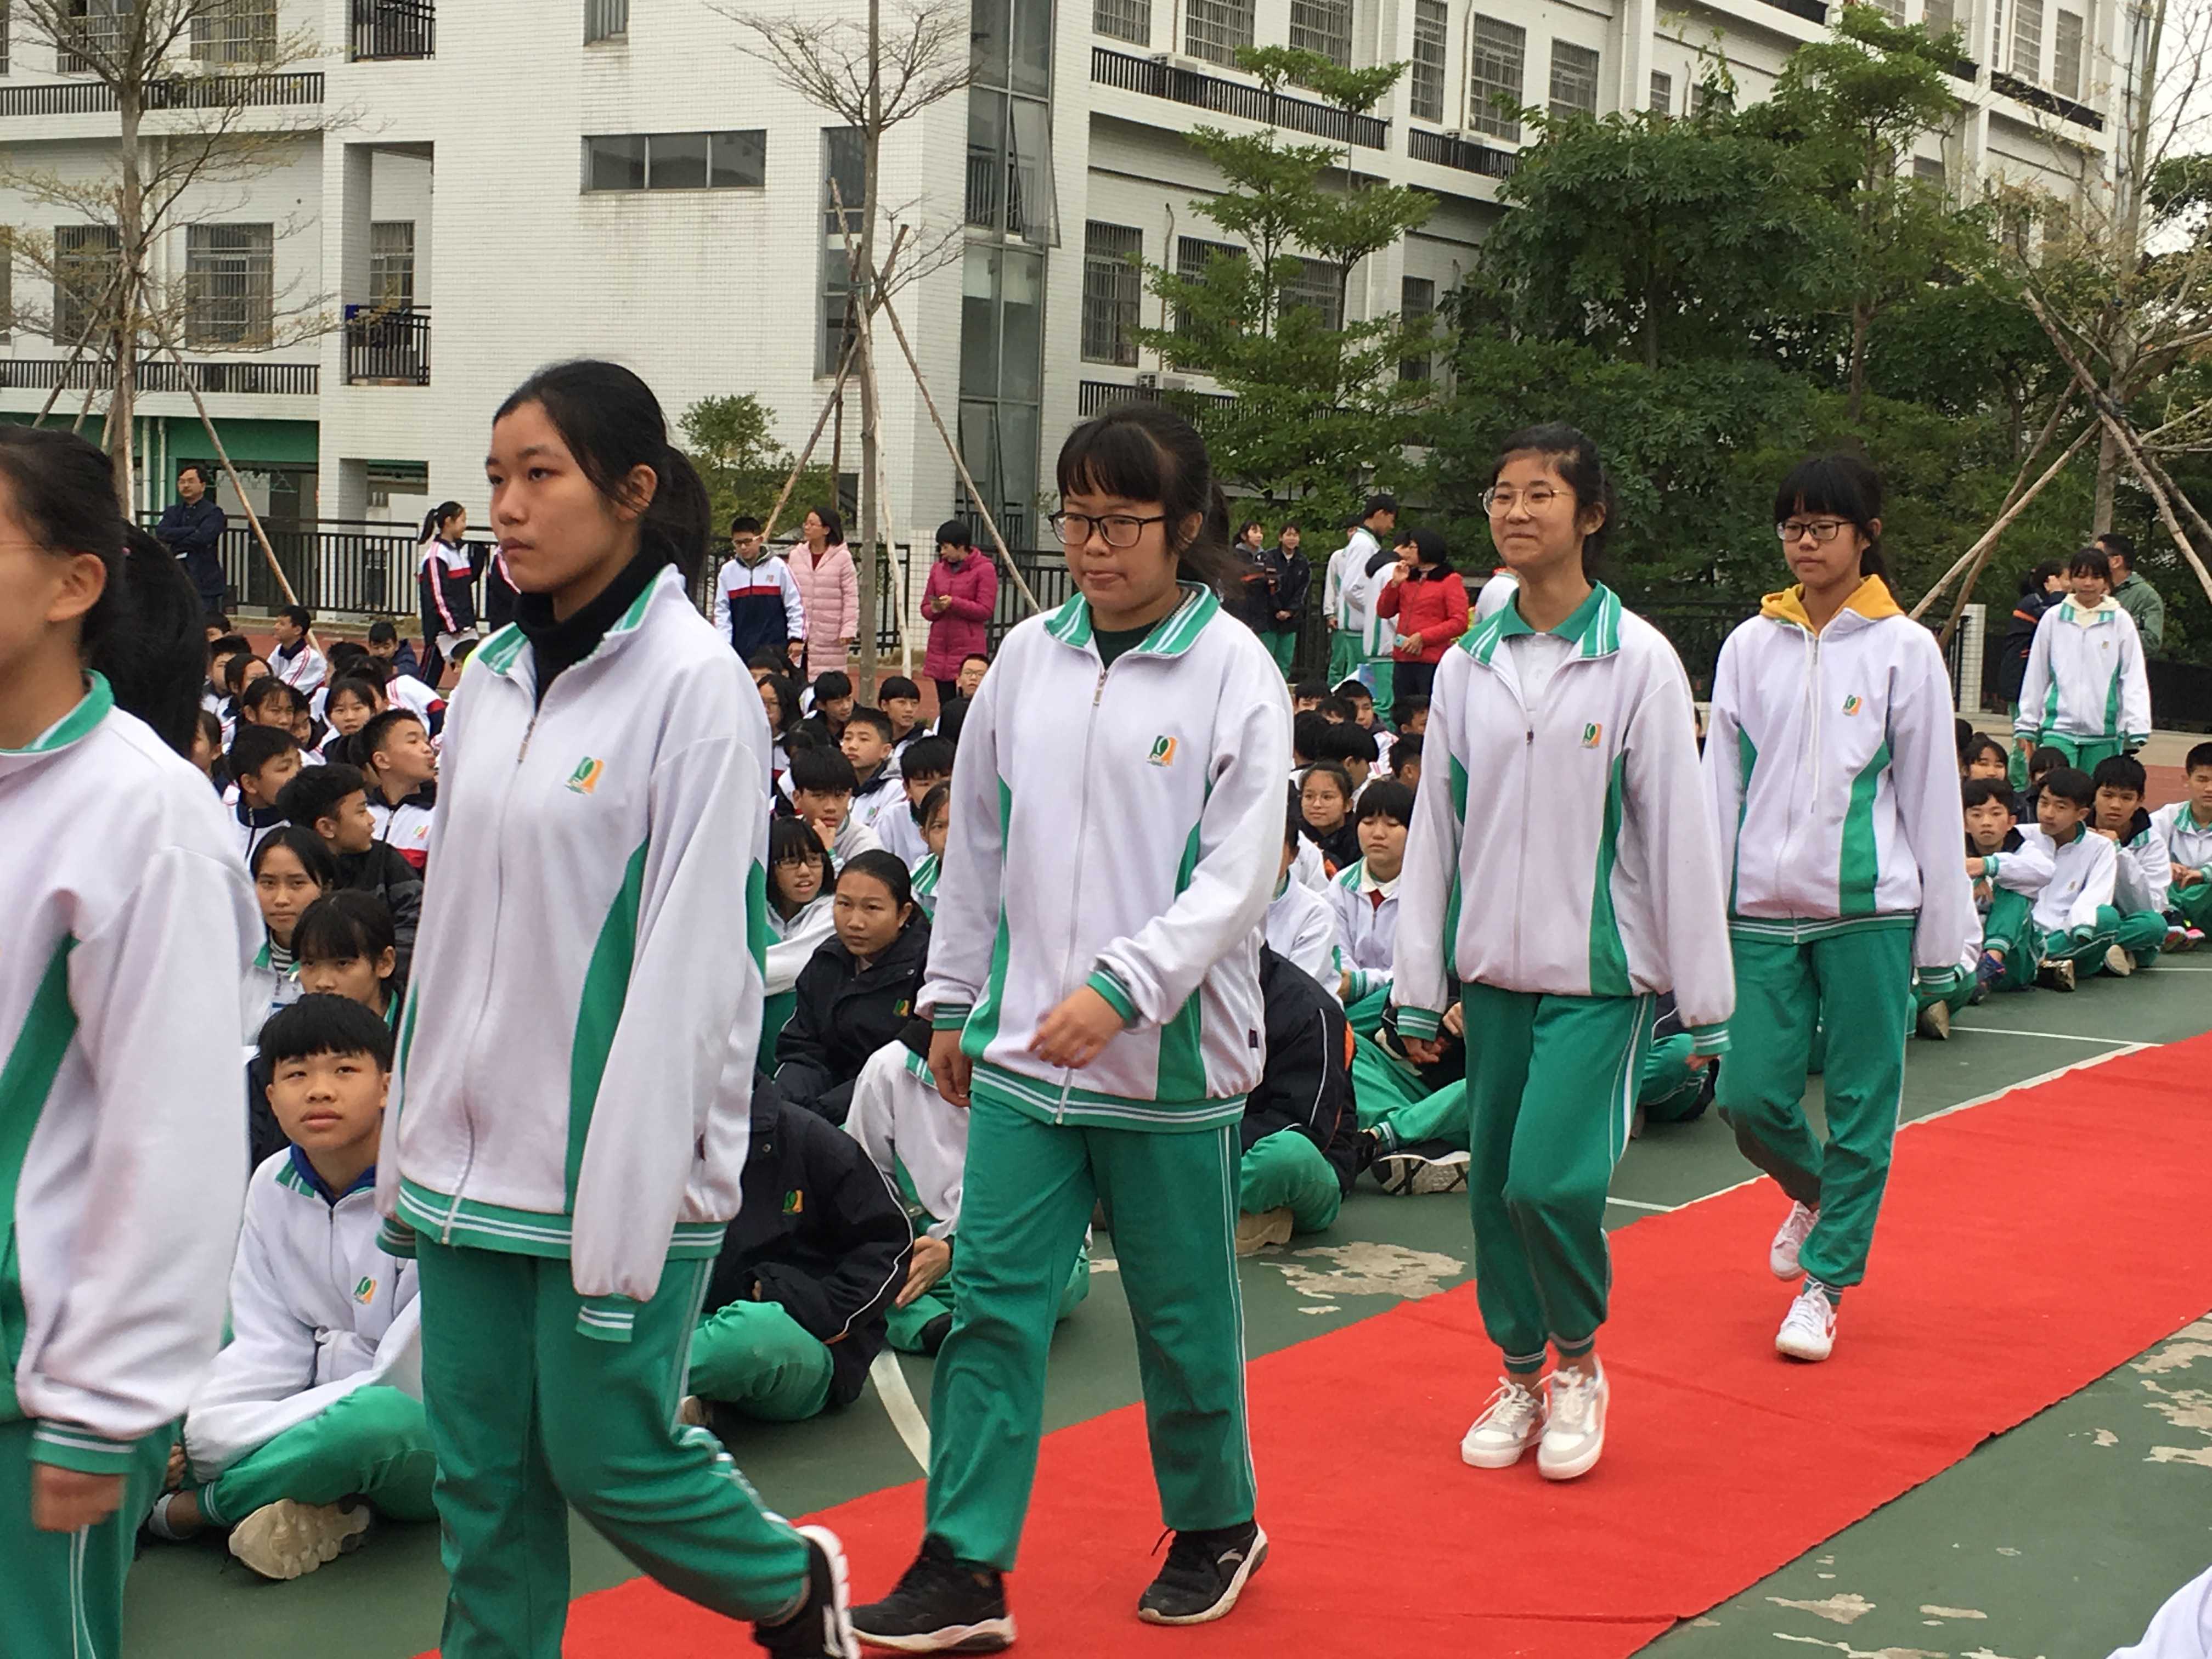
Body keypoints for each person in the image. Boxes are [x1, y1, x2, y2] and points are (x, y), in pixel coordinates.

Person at [375, 359, 856, 1658]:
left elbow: (699, 967)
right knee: (482, 1485)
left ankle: (788, 1587)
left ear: (633, 490)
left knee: (607, 1454)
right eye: (496, 478)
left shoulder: (695, 687)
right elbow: (451, 932)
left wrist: (634, 1193)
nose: (507, 507)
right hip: (465, 1162)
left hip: (610, 1161)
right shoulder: (490, 674)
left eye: (540, 475)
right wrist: (410, 1144)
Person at [855, 399, 1289, 1649]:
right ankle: (963, 1563)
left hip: (1168, 1060)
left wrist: (1125, 985)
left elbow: (1237, 876)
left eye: (1121, 522)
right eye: (1078, 518)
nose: (1094, 546)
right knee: (993, 1302)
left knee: (1180, 1309)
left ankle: (1216, 1523)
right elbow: (979, 844)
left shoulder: (1234, 674)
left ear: (1184, 526)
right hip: (1022, 1061)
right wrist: (951, 997)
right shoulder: (1028, 659)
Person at [1395, 421, 1731, 1483]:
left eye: (1539, 494)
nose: (1515, 511)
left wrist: (1707, 1000)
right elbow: (1437, 829)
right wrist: (1419, 986)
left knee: (1549, 1182)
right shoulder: (1468, 666)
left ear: (1589, 515)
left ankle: (1578, 1364)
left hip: (1602, 974)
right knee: (1494, 1188)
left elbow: (1679, 836)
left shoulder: (1638, 661)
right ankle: (1517, 1374)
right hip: (1493, 976)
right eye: (1502, 493)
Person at [0, 423, 257, 1656]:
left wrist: (102, 1404)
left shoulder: (144, 815)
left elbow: (177, 1136)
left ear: (75, 584)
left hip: (30, 1380)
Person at [1705, 454, 1974, 1367]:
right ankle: (1818, 1195)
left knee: (1862, 1104)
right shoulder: (1749, 645)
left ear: (1867, 535)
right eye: (1792, 525)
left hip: (1870, 911)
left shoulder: (1904, 649)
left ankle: (1824, 1284)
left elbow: (1931, 795)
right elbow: (1718, 786)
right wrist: (1702, 910)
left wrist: (1941, 938)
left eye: (1824, 525)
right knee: (1747, 1097)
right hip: (1758, 909)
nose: (1805, 541)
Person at [151, 995, 433, 1579]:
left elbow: (406, 1375)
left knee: (374, 1424)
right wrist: (210, 1424)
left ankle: (195, 1510)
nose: (320, 1091)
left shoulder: (425, 1188)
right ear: (271, 1095)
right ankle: (326, 1504)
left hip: (425, 1428)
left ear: (388, 1085)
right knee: (188, 1398)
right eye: (297, 1075)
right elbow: (267, 1340)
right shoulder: (271, 1183)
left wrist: (224, 1453)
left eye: (344, 1070)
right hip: (311, 1406)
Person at [844, 1020, 1092, 1358]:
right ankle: (946, 1325)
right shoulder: (888, 1068)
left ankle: (953, 1319)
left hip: (1022, 1238)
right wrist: (902, 1249)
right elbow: (865, 1185)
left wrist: (954, 1250)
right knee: (873, 1275)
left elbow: (1053, 1198)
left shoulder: (1042, 1063)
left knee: (1062, 1273)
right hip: (923, 1237)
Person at [681, 1075, 910, 1428]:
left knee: (754, 1336)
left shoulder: (811, 1140)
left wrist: (804, 1303)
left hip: (794, 1340)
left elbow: (888, 1245)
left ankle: (632, 1387)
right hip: (688, 1320)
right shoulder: (652, 1140)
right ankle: (679, 1397)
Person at [775, 850, 933, 1126]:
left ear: (903, 914)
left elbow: (906, 1068)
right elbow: (803, 1047)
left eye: (872, 908)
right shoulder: (827, 961)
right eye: (844, 904)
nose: (855, 922)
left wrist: (823, 1114)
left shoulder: (928, 971)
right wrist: (785, 1104)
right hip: (823, 1103)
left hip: (894, 1111)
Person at [1235, 946, 1360, 1254]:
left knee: (1287, 1156)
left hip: (1292, 1160)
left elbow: (1308, 1127)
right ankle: (1238, 1212)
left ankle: (1173, 1204)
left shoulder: (1310, 1008)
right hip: (1202, 1150)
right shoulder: (1182, 993)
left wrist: (1205, 1147)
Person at [275, 762, 424, 981]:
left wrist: (370, 971)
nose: (372, 821)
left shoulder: (384, 861)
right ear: (327, 827)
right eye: (361, 811)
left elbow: (418, 923)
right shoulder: (287, 866)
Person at [2014, 546, 2151, 775]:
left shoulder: (2120, 621)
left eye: (2096, 577)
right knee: (2055, 788)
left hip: (2103, 732)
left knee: (2093, 792)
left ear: (2106, 580)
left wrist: (2137, 724)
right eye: (2081, 576)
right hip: (2057, 729)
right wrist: (2026, 724)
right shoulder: (2054, 618)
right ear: (2071, 579)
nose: (2088, 583)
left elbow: (2133, 674)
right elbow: (2037, 673)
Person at [2012, 766, 2120, 991]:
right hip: (2023, 935)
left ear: (2082, 814)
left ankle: (2035, 965)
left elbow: (2095, 897)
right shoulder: (2019, 836)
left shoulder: (2100, 847)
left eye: (2060, 807)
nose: (2048, 813)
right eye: (2044, 803)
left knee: (2107, 918)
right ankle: (2045, 969)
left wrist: (2075, 927)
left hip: (2069, 934)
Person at [1328, 780, 1414, 1031]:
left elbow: (1418, 967)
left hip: (1400, 995)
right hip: (1350, 996)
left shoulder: (1427, 887)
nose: (1378, 834)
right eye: (1368, 822)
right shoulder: (1342, 884)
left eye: (1392, 824)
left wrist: (1361, 984)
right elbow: (1337, 951)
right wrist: (1350, 983)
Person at [1958, 777, 2051, 1002]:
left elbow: (2046, 871)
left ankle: (1991, 962)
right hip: (1964, 952)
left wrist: (1988, 866)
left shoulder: (2024, 850)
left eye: (1995, 814)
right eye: (1977, 815)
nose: (1986, 822)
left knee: (2015, 890)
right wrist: (1970, 881)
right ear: (1964, 824)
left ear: (2011, 822)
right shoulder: (1953, 853)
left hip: (2015, 962)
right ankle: (1967, 980)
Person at [2088, 753, 2170, 975]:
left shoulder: (2152, 843)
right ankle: (2113, 953)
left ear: (2140, 801)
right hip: (2087, 919)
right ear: (2094, 795)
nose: (2115, 805)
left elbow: (2150, 907)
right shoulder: (2075, 832)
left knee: (2155, 926)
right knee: (2103, 918)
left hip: (2129, 923)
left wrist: (2118, 852)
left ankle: (2091, 953)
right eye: (2108, 795)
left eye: (2126, 798)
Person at [764, 816, 837, 1051]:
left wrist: (726, 978)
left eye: (814, 860)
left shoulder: (834, 909)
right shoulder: (755, 908)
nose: (805, 872)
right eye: (791, 862)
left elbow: (795, 968)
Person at [1375, 527, 1470, 705]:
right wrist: (1394, 584)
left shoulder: (1450, 580)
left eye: (1412, 547)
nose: (1406, 552)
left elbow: (1459, 621)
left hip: (1430, 659)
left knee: (1427, 708)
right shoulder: (1408, 579)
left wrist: (1423, 637)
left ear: (1426, 549)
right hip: (1403, 657)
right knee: (1403, 709)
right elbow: (1384, 611)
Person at [1324, 494, 1398, 703]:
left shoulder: (1364, 542)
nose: (1391, 526)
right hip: (1360, 626)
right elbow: (1352, 587)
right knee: (1364, 689)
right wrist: (1377, 610)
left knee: (1356, 685)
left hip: (1358, 625)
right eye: (1391, 520)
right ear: (1380, 514)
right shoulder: (1364, 544)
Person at [1997, 561, 2067, 777]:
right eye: (2067, 578)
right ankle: (2019, 783)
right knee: (2024, 737)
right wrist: (2057, 595)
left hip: (2031, 680)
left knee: (2037, 737)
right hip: (2020, 680)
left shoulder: (2043, 602)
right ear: (2051, 581)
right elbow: (2056, 621)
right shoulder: (2036, 604)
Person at [1266, 790, 1341, 986]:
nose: (1263, 857)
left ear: (1293, 855)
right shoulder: (1223, 903)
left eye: (1274, 847)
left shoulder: (1315, 912)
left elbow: (1296, 988)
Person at [713, 515, 809, 668]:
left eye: (747, 542)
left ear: (759, 539)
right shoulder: (727, 572)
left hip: (775, 648)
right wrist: (725, 644)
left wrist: (796, 637)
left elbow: (795, 604)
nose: (743, 547)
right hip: (741, 650)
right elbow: (722, 612)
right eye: (738, 543)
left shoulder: (778, 567)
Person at [923, 519, 999, 707]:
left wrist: (954, 603)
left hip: (968, 649)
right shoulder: (938, 570)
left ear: (961, 546)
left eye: (946, 547)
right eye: (940, 547)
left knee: (968, 704)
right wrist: (935, 609)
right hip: (940, 647)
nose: (942, 552)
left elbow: (985, 610)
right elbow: (925, 607)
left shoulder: (984, 569)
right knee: (945, 704)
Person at [294, 890, 404, 1019]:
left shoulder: (419, 1025)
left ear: (385, 962)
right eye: (310, 964)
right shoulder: (290, 1028)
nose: (323, 983)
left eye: (342, 963)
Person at [357, 707, 437, 872]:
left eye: (426, 741)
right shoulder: (362, 813)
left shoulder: (440, 814)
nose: (427, 749)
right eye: (413, 741)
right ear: (382, 760)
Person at [2152, 741, 2212, 945]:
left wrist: (2204, 875)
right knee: (2151, 875)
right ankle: (2175, 922)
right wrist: (2165, 866)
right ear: (2186, 780)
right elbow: (2143, 853)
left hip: (2208, 904)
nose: (2209, 788)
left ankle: (2176, 923)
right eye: (2202, 779)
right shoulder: (2166, 817)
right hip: (2171, 895)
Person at [790, 505, 859, 679]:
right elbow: (789, 593)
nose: (807, 527)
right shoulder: (796, 555)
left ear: (826, 530)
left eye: (812, 524)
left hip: (830, 632)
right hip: (800, 631)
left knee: (827, 683)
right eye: (806, 523)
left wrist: (848, 628)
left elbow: (850, 596)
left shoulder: (842, 558)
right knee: (797, 680)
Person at [156, 460, 229, 618]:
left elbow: (204, 537)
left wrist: (177, 542)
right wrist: (191, 530)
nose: (186, 486)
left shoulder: (213, 512)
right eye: (182, 482)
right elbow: (162, 532)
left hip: (204, 579)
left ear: (202, 486)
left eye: (191, 481)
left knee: (204, 622)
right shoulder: (173, 511)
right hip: (176, 577)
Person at [416, 501, 478, 685]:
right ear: (449, 521)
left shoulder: (457, 552)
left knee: (471, 671)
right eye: (462, 520)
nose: (465, 526)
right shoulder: (436, 555)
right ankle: (416, 701)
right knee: (429, 675)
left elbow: (463, 587)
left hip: (460, 624)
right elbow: (438, 594)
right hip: (442, 629)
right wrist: (453, 624)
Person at [788, 744, 882, 866]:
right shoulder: (785, 837)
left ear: (849, 795)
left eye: (839, 796)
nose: (831, 807)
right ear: (797, 798)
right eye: (819, 796)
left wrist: (829, 853)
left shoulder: (866, 843)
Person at [228, 723, 302, 860]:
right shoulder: (220, 820)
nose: (298, 773)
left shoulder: (307, 826)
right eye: (284, 768)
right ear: (250, 784)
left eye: (300, 764)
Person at [878, 735, 953, 869]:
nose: (937, 790)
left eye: (946, 782)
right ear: (907, 789)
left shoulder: (973, 816)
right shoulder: (892, 818)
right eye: (925, 784)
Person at [842, 707, 906, 836]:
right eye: (848, 738)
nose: (852, 746)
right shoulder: (838, 787)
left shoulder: (896, 790)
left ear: (885, 751)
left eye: (864, 739)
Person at [2098, 531, 2165, 654]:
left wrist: (2110, 630)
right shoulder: (2088, 589)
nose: (2091, 560)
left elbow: (2152, 642)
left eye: (2098, 556)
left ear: (2116, 561)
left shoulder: (2146, 596)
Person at [1261, 522, 1308, 674]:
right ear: (1281, 538)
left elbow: (1302, 590)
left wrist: (1290, 611)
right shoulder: (1269, 558)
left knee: (1285, 661)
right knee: (1266, 659)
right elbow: (1267, 587)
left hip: (1291, 620)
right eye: (1288, 535)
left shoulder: (1302, 562)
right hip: (1269, 617)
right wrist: (1277, 609)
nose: (1292, 539)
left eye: (1295, 535)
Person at [1297, 759, 1359, 872]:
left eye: (1327, 797)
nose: (1317, 805)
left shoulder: (1360, 837)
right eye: (1309, 796)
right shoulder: (1294, 834)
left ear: (1348, 805)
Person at [910, 783, 951, 917]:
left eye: (957, 824)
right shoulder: (918, 876)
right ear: (924, 835)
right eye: (939, 827)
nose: (949, 836)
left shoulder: (995, 873)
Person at [270, 603, 328, 697]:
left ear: (297, 630)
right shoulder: (279, 650)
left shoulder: (309, 658)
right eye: (277, 623)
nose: (276, 627)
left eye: (282, 624)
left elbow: (284, 691)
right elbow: (267, 675)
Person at [881, 674, 927, 753]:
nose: (909, 709)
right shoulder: (874, 740)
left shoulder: (926, 742)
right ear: (884, 705)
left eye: (914, 703)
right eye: (902, 702)